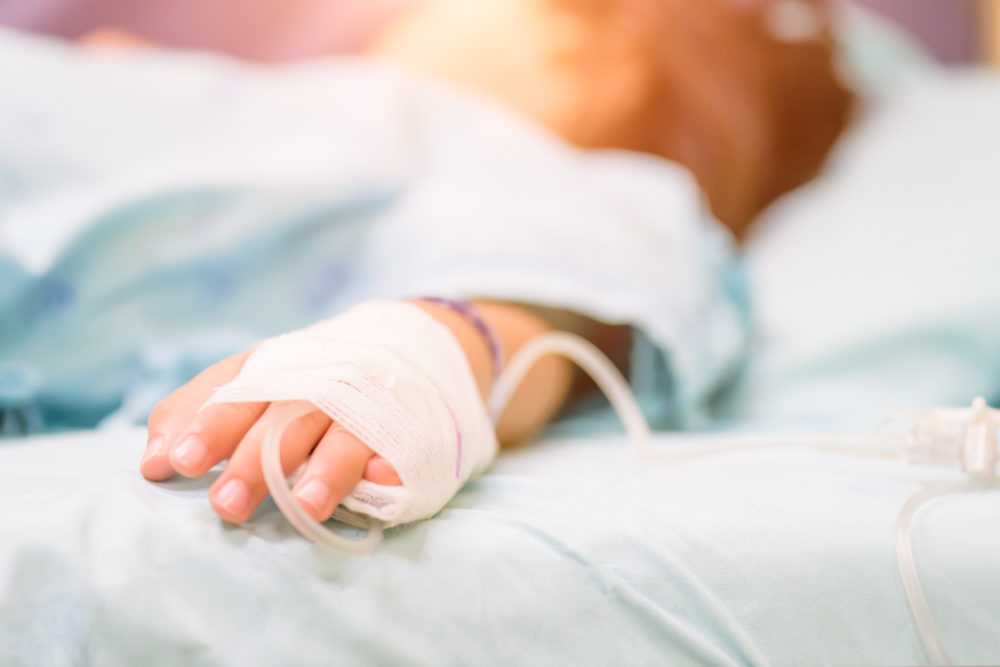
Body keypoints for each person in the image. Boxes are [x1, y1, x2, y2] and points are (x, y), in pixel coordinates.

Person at [107, 0, 851, 526]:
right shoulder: (316, 105)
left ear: (597, 61)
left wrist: (403, 366)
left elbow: (544, 291)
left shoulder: (558, 173)